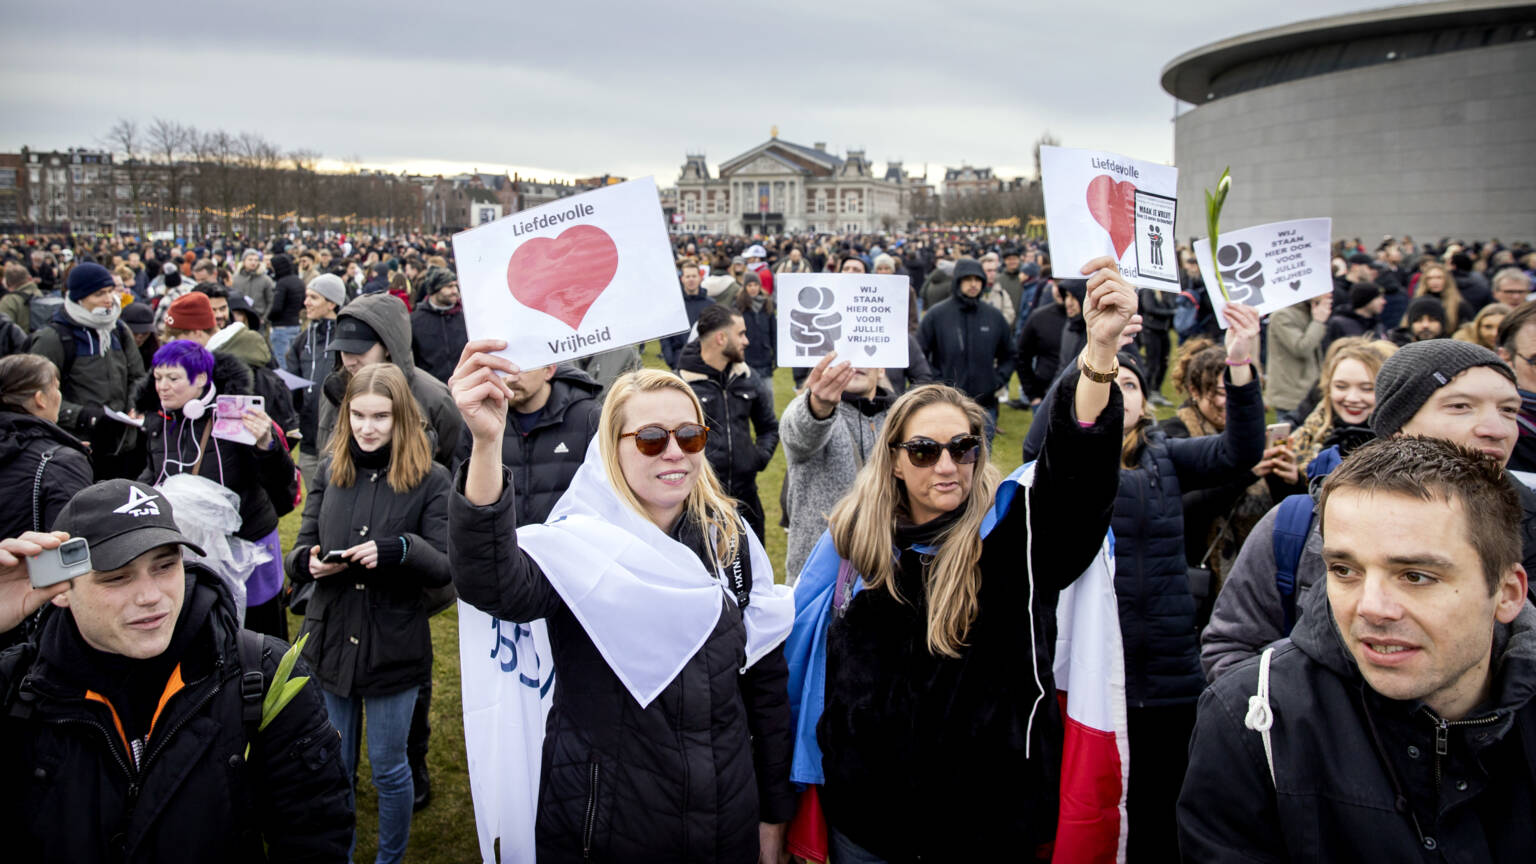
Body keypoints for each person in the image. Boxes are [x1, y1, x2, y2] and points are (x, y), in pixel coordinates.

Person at [787, 255, 1136, 862]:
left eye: (962, 448)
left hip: (984, 829)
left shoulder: (1013, 537)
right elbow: (798, 665)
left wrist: (1099, 357)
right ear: (893, 456)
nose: (947, 465)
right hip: (865, 828)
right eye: (924, 451)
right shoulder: (849, 545)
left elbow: (1075, 487)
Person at [448, 354, 795, 862]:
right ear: (612, 449)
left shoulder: (732, 539)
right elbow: (492, 583)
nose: (674, 453)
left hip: (727, 815)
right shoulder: (579, 544)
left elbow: (764, 689)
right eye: (652, 439)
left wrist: (772, 815)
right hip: (604, 823)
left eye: (690, 436)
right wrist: (485, 442)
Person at [1178, 437, 1535, 861]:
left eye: (1415, 576)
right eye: (1344, 570)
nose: (1371, 608)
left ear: (1507, 593)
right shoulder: (1252, 718)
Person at [0, 481, 353, 860]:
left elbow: (317, 833)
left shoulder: (261, 676)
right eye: (117, 576)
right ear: (60, 588)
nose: (151, 596)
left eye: (165, 566)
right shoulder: (18, 689)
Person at [1202, 339, 1536, 682]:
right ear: (1398, 426)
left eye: (1509, 410)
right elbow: (1230, 651)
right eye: (1461, 406)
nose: (1495, 429)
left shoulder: (1528, 524)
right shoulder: (1301, 526)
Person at [1103, 305, 1266, 861]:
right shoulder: (1068, 464)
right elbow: (1040, 446)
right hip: (1103, 666)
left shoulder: (1166, 458)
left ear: (1145, 402)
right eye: (1106, 381)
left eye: (1129, 383)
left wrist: (1241, 365)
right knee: (1103, 803)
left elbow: (1241, 452)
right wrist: (1096, 347)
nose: (1119, 391)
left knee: (1166, 804)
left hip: (1172, 667)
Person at [286, 363, 452, 863]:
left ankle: (390, 858)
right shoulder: (331, 469)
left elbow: (444, 564)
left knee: (388, 768)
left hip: (392, 645)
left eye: (380, 416)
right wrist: (308, 563)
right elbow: (302, 544)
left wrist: (399, 549)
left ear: (401, 417)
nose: (367, 426)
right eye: (358, 414)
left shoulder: (432, 478)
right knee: (335, 767)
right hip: (332, 639)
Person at [136, 338, 296, 639]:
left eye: (173, 378)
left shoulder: (236, 415)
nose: (162, 387)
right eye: (158, 378)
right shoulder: (157, 419)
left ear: (200, 379)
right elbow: (154, 470)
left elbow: (278, 480)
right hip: (191, 543)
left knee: (259, 628)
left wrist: (267, 445)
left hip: (248, 539)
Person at [780, 352, 891, 580]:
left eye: (866, 354)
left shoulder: (899, 418)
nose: (855, 362)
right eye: (846, 354)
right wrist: (818, 406)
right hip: (818, 572)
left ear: (882, 369)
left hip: (883, 566)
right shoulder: (807, 408)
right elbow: (799, 434)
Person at [29, 262, 145, 481]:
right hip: (79, 449)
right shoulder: (54, 337)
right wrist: (83, 416)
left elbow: (138, 375)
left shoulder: (118, 330)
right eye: (99, 294)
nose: (109, 299)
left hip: (124, 445)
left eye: (111, 291)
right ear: (79, 298)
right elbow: (35, 396)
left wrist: (134, 405)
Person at [317, 293, 461, 468]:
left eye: (359, 350)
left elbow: (452, 463)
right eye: (344, 351)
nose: (350, 361)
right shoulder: (334, 390)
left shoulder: (434, 399)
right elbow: (324, 456)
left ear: (387, 347)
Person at [677, 304, 779, 540]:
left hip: (747, 504)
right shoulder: (682, 385)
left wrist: (758, 458)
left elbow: (769, 427)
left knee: (752, 573)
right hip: (698, 506)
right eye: (741, 334)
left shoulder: (748, 377)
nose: (747, 341)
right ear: (721, 338)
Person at [917, 257, 1015, 440]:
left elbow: (1010, 354)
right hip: (945, 404)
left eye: (978, 280)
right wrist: (937, 381)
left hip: (984, 405)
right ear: (958, 281)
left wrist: (996, 381)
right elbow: (919, 354)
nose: (973, 284)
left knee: (982, 460)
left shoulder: (994, 317)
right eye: (968, 279)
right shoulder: (937, 315)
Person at [0, 354, 92, 538]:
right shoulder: (59, 462)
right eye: (56, 388)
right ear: (40, 398)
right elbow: (72, 544)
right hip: (25, 565)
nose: (59, 396)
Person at [285, 273, 345, 489]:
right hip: (308, 439)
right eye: (306, 296)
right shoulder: (301, 340)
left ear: (331, 303)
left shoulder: (346, 338)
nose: (306, 302)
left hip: (339, 437)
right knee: (315, 499)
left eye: (313, 297)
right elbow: (292, 385)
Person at [1014, 280, 1070, 409]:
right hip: (1044, 398)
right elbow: (1022, 356)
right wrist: (1033, 395)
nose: (1060, 289)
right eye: (1056, 284)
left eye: (1064, 284)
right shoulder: (1039, 317)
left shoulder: (1090, 320)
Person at [409, 266, 468, 383]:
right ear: (435, 289)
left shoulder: (464, 317)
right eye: (449, 286)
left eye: (455, 286)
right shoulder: (415, 321)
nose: (455, 291)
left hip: (466, 388)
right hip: (433, 391)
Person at [661, 258, 715, 369]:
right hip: (679, 361)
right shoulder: (673, 304)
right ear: (682, 279)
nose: (691, 280)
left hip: (705, 362)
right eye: (688, 276)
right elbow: (665, 334)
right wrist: (670, 359)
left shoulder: (710, 304)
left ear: (700, 278)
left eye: (694, 276)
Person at [734, 270, 776, 380]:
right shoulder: (738, 306)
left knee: (767, 394)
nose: (753, 288)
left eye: (756, 285)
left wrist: (776, 355)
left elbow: (774, 332)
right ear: (745, 287)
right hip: (746, 358)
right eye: (750, 285)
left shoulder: (768, 304)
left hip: (765, 357)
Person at [266, 252, 306, 364]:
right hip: (295, 324)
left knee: (282, 361)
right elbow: (303, 303)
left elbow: (277, 308)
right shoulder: (298, 281)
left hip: (281, 326)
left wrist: (268, 318)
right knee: (294, 360)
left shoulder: (282, 283)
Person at [1322, 282, 1385, 351]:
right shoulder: (1339, 324)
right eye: (1379, 298)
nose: (1383, 302)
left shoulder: (1377, 324)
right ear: (1367, 299)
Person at [1413, 261, 1473, 333]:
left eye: (1439, 278)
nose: (1434, 281)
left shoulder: (1459, 305)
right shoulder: (1417, 303)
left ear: (1446, 280)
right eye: (1430, 278)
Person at [0, 261, 46, 331]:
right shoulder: (39, 293)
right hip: (39, 340)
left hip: (21, 341)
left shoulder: (9, 300)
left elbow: (4, 331)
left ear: (7, 282)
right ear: (29, 278)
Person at [233, 248, 274, 318]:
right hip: (239, 318)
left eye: (256, 260)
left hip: (259, 317)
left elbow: (271, 301)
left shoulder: (266, 280)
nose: (253, 262)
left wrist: (264, 318)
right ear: (244, 261)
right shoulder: (235, 278)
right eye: (250, 259)